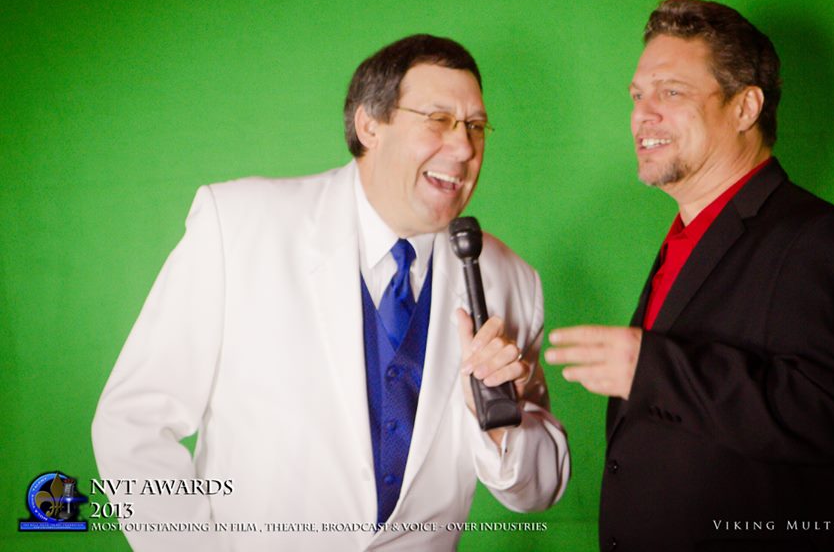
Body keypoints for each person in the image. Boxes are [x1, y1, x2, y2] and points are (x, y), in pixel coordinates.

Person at [92, 34, 569, 551]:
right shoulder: (239, 226)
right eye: (438, 119)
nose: (463, 147)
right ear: (370, 125)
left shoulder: (509, 279)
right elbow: (134, 421)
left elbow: (541, 487)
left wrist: (500, 431)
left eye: (475, 126)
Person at [546, 0, 834, 551]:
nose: (643, 113)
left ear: (745, 107)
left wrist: (653, 369)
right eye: (638, 96)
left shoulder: (823, 241)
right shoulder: (686, 239)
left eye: (672, 92)